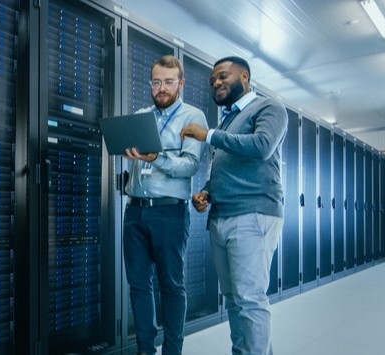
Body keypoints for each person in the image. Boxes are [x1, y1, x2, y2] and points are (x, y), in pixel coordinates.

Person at [180, 56, 288, 355]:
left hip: (253, 213)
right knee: (233, 298)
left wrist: (210, 135)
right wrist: (206, 193)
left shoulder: (270, 107)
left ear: (245, 77)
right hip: (221, 216)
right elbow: (222, 169)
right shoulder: (227, 120)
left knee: (250, 299)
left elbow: (262, 146)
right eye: (213, 79)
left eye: (224, 76)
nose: (216, 82)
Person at [123, 55, 208, 355]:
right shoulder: (140, 115)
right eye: (156, 82)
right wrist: (128, 152)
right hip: (134, 211)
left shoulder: (193, 116)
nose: (161, 88)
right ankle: (146, 350)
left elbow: (190, 166)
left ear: (180, 83)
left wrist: (155, 157)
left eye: (168, 82)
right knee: (138, 286)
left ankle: (173, 351)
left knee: (171, 285)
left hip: (169, 212)